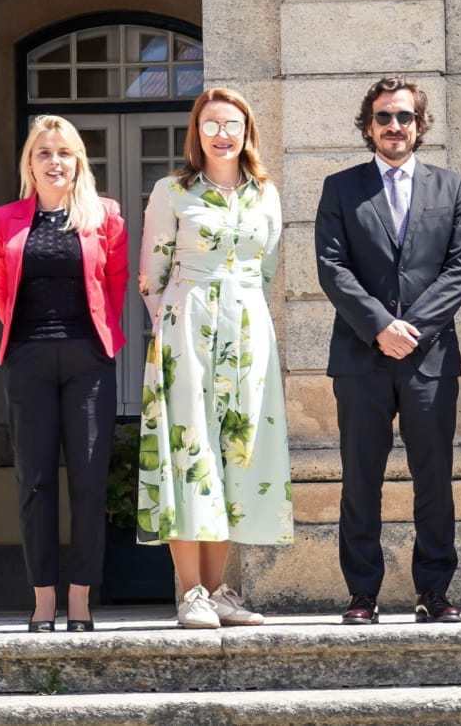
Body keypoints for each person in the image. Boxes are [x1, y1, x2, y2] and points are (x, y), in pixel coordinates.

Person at [315, 76, 461, 625]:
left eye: (404, 116)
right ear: (368, 126)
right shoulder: (341, 188)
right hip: (361, 356)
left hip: (429, 359)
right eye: (383, 116)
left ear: (419, 124)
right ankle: (362, 594)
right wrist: (381, 326)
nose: (394, 126)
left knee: (434, 478)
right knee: (361, 479)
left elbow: (460, 270)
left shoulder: (451, 187)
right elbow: (332, 268)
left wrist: (412, 329)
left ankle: (434, 591)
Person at [137, 87, 294, 629]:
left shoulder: (265, 194)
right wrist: (172, 328)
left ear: (247, 132)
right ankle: (191, 593)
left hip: (249, 331)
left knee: (236, 453)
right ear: (196, 132)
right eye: (211, 125)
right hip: (187, 330)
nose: (221, 134)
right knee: (189, 450)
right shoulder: (172, 191)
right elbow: (151, 276)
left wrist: (247, 322)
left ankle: (220, 591)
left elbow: (267, 270)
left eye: (232, 125)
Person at [0, 115, 127, 632]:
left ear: (79, 161)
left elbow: (114, 285)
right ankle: (43, 599)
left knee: (88, 482)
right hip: (28, 360)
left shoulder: (105, 216)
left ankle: (81, 599)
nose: (54, 161)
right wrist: (30, 345)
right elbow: (0, 290)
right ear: (29, 163)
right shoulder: (3, 220)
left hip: (89, 362)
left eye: (64, 152)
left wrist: (96, 341)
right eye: (43, 152)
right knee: (35, 482)